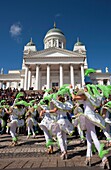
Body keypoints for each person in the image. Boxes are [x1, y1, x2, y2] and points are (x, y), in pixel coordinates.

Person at [71, 85, 110, 169]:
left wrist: (70, 90)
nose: (83, 89)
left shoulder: (85, 95)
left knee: (93, 137)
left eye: (84, 88)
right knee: (88, 136)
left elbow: (74, 97)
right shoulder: (94, 97)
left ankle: (104, 158)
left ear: (87, 89)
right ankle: (88, 156)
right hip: (92, 116)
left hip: (88, 116)